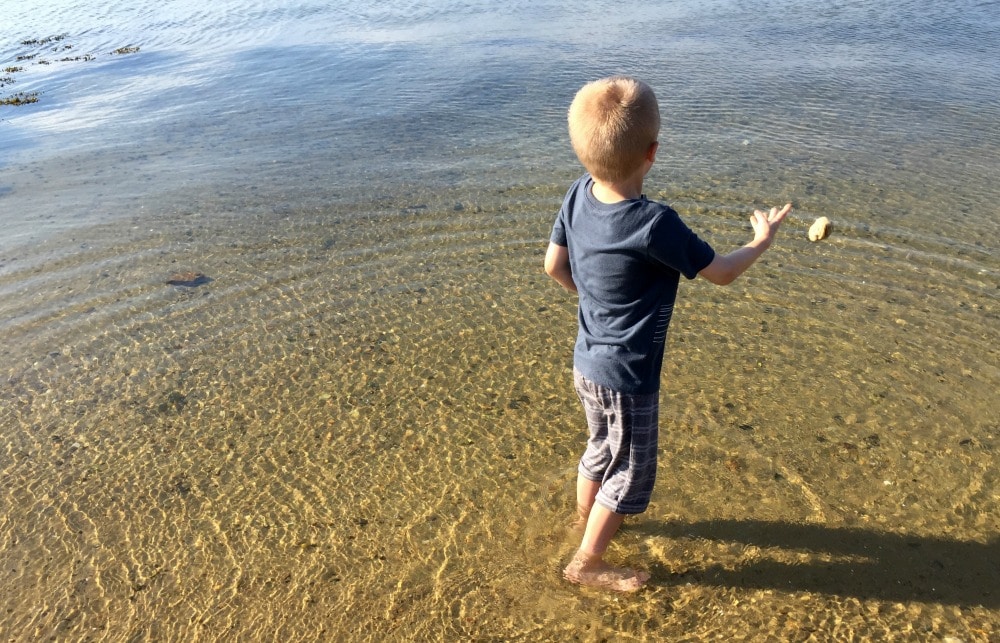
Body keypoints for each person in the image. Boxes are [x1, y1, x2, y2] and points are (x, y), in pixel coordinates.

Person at [544, 76, 791, 592]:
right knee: (631, 468)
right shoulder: (654, 224)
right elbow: (721, 271)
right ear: (653, 152)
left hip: (587, 363)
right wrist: (761, 242)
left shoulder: (576, 194)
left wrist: (595, 302)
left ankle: (583, 519)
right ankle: (587, 560)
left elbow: (553, 267)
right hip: (629, 376)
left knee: (599, 446)